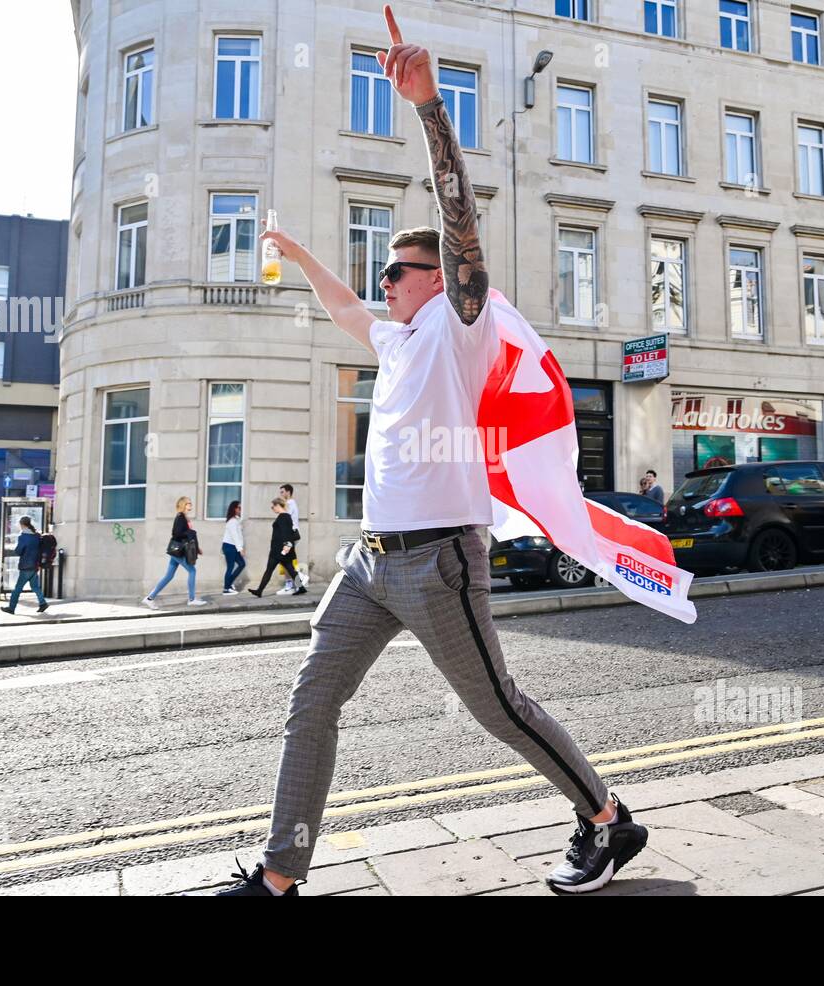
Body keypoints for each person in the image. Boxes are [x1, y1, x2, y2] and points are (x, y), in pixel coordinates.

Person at [217, 6, 646, 898]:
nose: (382, 281)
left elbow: (460, 225)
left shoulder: (461, 323)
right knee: (312, 701)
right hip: (372, 563)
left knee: (495, 707)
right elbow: (343, 308)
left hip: (441, 560)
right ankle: (278, 878)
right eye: (381, 274)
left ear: (436, 280)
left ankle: (606, 820)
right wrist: (298, 252)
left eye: (394, 272)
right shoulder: (398, 338)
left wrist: (427, 107)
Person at [143, 496, 207, 608]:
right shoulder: (180, 517)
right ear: (183, 505)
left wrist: (197, 547)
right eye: (188, 503)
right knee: (192, 571)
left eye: (190, 503)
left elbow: (184, 534)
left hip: (176, 551)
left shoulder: (184, 517)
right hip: (179, 551)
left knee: (168, 576)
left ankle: (150, 598)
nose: (191, 505)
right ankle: (191, 599)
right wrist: (190, 533)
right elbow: (176, 533)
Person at [248, 498, 305, 598]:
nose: (272, 509)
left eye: (272, 507)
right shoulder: (286, 516)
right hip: (282, 549)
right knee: (291, 570)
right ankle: (301, 588)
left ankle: (259, 591)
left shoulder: (283, 517)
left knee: (269, 570)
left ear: (278, 505)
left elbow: (285, 533)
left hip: (279, 550)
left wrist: (286, 546)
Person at [0, 515, 48, 615]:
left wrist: (17, 549)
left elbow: (18, 551)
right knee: (35, 586)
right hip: (35, 565)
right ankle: (43, 603)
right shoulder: (36, 535)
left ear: (22, 524)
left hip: (26, 566)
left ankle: (11, 608)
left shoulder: (23, 537)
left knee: (18, 588)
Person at [277, 484, 307, 592]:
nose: (281, 494)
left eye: (282, 492)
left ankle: (296, 581)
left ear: (288, 492)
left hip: (290, 535)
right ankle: (291, 585)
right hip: (290, 535)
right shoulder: (291, 503)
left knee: (285, 561)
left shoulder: (289, 504)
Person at [222, 500, 246, 594]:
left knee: (241, 564)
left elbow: (239, 535)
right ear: (234, 509)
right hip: (229, 546)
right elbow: (235, 536)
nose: (240, 510)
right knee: (230, 567)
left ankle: (229, 583)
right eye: (239, 508)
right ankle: (226, 589)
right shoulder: (232, 521)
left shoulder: (236, 520)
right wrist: (240, 549)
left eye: (241, 508)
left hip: (233, 546)